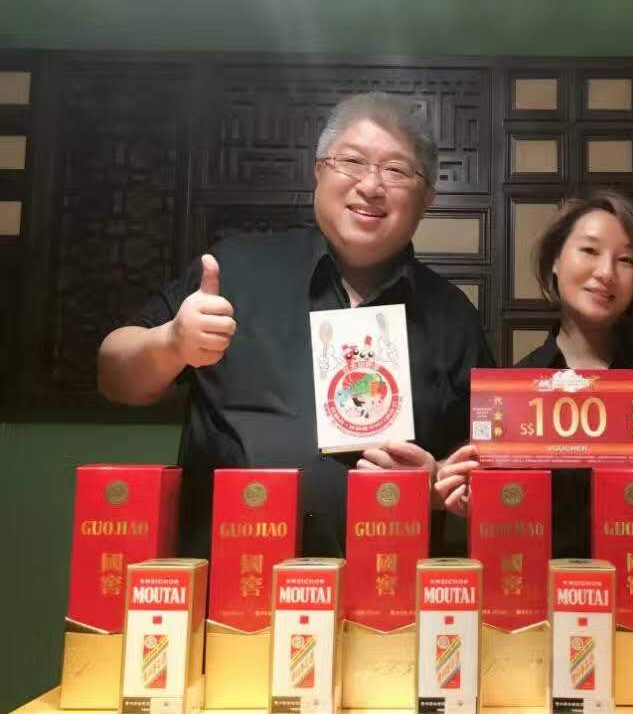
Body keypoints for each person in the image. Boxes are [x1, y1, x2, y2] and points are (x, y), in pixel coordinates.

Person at [98, 92, 494, 557]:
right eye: (352, 161)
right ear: (319, 171)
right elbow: (114, 378)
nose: (371, 185)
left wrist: (440, 482)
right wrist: (171, 343)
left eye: (396, 170)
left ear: (427, 198)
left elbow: (488, 468)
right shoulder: (235, 269)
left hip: (385, 588)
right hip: (232, 582)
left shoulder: (452, 316)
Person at [435, 191, 633, 559]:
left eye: (626, 260)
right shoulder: (514, 390)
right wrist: (469, 496)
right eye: (590, 251)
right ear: (555, 261)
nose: (606, 273)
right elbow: (504, 516)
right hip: (552, 589)